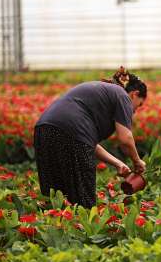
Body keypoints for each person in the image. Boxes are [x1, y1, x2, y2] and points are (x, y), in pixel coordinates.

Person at [33, 67, 147, 208]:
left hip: (44, 131)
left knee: (54, 197)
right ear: (134, 94)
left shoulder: (103, 92)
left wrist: (118, 163)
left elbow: (87, 143)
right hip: (71, 134)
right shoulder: (122, 96)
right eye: (139, 105)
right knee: (83, 202)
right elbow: (125, 139)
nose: (135, 111)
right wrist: (137, 161)